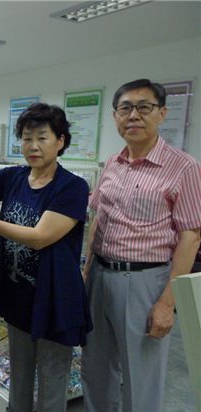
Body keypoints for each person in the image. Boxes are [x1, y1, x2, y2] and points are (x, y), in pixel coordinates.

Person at [0, 102, 92, 412]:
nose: (33, 146)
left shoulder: (73, 187)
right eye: (27, 138)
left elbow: (41, 237)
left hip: (53, 299)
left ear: (60, 141)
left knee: (52, 380)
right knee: (20, 375)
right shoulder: (12, 177)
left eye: (42, 137)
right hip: (18, 296)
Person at [81, 78, 201, 412]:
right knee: (95, 367)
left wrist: (167, 303)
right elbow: (99, 219)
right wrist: (87, 270)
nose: (133, 115)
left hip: (145, 282)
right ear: (116, 116)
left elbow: (191, 237)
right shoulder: (113, 164)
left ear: (161, 113)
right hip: (100, 276)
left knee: (141, 375)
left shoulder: (184, 168)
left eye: (144, 107)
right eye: (125, 108)